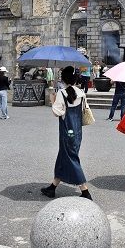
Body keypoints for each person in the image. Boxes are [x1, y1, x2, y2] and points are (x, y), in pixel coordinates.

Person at [41, 66, 93, 200]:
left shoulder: (61, 93)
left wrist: (53, 102)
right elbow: (84, 109)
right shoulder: (81, 93)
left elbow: (57, 112)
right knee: (64, 157)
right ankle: (52, 187)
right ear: (75, 79)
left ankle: (85, 191)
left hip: (66, 131)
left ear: (63, 79)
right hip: (77, 131)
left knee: (71, 158)